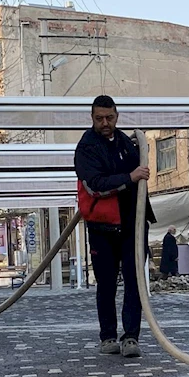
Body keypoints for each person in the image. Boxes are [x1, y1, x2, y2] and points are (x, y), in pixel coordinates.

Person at [74, 95, 156, 358]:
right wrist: (130, 177)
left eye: (109, 117)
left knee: (135, 282)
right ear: (92, 118)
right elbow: (95, 183)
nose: (105, 123)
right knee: (106, 284)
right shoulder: (86, 147)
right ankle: (108, 336)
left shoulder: (126, 143)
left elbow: (138, 174)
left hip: (132, 223)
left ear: (117, 115)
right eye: (99, 119)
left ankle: (131, 337)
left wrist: (136, 175)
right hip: (102, 227)